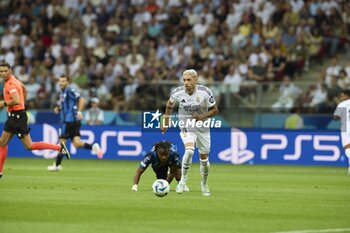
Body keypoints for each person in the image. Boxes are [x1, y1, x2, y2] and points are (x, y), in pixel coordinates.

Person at [0, 62, 70, 178]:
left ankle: (59, 148)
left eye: (5, 71)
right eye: (1, 71)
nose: (3, 73)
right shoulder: (14, 80)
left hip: (17, 118)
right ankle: (0, 171)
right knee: (2, 143)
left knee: (29, 146)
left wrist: (4, 103)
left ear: (10, 70)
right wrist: (23, 104)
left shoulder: (10, 85)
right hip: (14, 116)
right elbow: (25, 89)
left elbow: (16, 100)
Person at [161, 69, 219, 196]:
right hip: (186, 125)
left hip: (203, 128)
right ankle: (183, 180)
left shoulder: (205, 92)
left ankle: (204, 183)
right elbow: (169, 105)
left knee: (204, 160)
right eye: (184, 80)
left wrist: (202, 116)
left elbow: (215, 110)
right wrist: (166, 120)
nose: (186, 83)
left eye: (189, 80)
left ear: (195, 80)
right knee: (189, 150)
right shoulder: (178, 92)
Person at [47, 75, 103, 171]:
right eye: (60, 81)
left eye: (63, 81)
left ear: (68, 82)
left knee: (61, 144)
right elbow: (65, 106)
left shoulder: (69, 90)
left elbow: (81, 100)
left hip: (67, 122)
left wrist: (80, 112)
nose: (61, 83)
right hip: (74, 122)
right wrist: (59, 109)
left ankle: (57, 165)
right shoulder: (62, 93)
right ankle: (93, 147)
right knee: (77, 143)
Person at [333, 90, 350, 175]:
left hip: (346, 127)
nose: (341, 98)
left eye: (342, 96)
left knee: (348, 147)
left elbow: (336, 118)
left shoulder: (342, 104)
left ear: (347, 96)